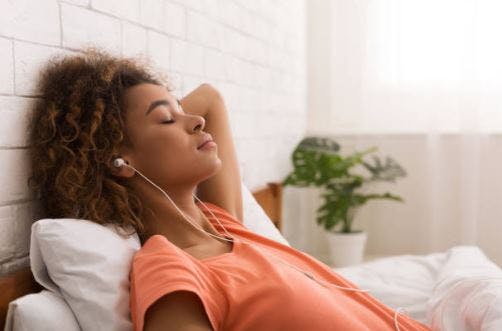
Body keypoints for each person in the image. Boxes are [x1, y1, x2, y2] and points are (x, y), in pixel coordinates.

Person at [28, 49, 431, 331]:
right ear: (120, 161)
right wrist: (108, 143)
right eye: (167, 119)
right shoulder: (171, 268)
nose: (196, 121)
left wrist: (157, 123)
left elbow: (211, 99)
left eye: (183, 113)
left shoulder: (221, 223)